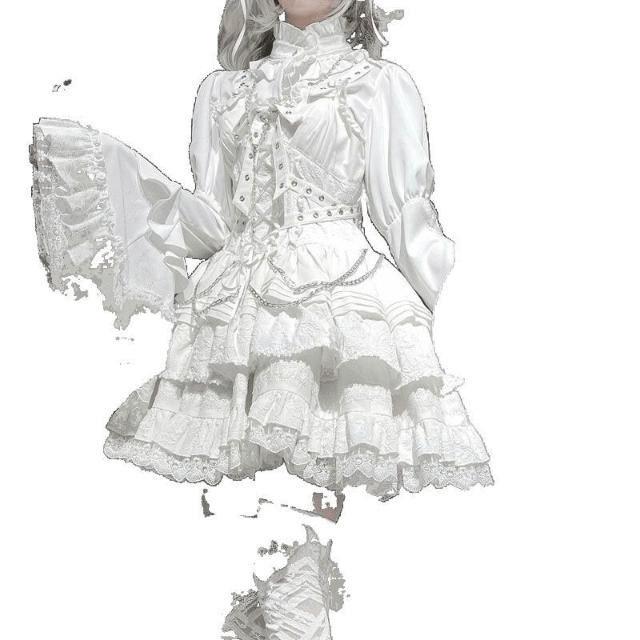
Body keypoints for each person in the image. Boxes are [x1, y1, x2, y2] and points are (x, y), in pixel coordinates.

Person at [29, 0, 493, 499]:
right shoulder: (223, 91)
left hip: (343, 302)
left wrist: (467, 309)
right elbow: (213, 220)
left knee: (346, 491)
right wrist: (115, 175)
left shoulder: (378, 83)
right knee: (239, 508)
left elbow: (403, 215)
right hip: (232, 319)